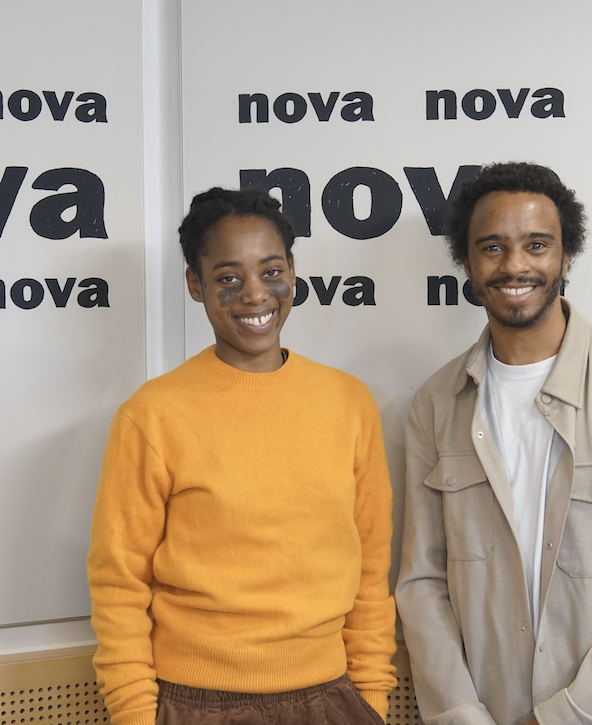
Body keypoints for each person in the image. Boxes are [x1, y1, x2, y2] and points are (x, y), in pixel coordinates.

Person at [395, 162, 592, 725]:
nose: (515, 265)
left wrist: (560, 718)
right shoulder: (435, 406)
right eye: (492, 247)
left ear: (566, 258)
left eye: (537, 245)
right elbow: (422, 582)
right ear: (467, 263)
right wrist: (461, 714)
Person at [88, 188, 396, 725]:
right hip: (195, 703)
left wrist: (371, 697)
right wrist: (136, 715)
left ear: (292, 273)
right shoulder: (152, 414)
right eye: (228, 278)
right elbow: (119, 584)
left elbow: (371, 568)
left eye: (271, 271)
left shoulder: (350, 402)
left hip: (332, 698)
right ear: (195, 285)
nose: (255, 294)